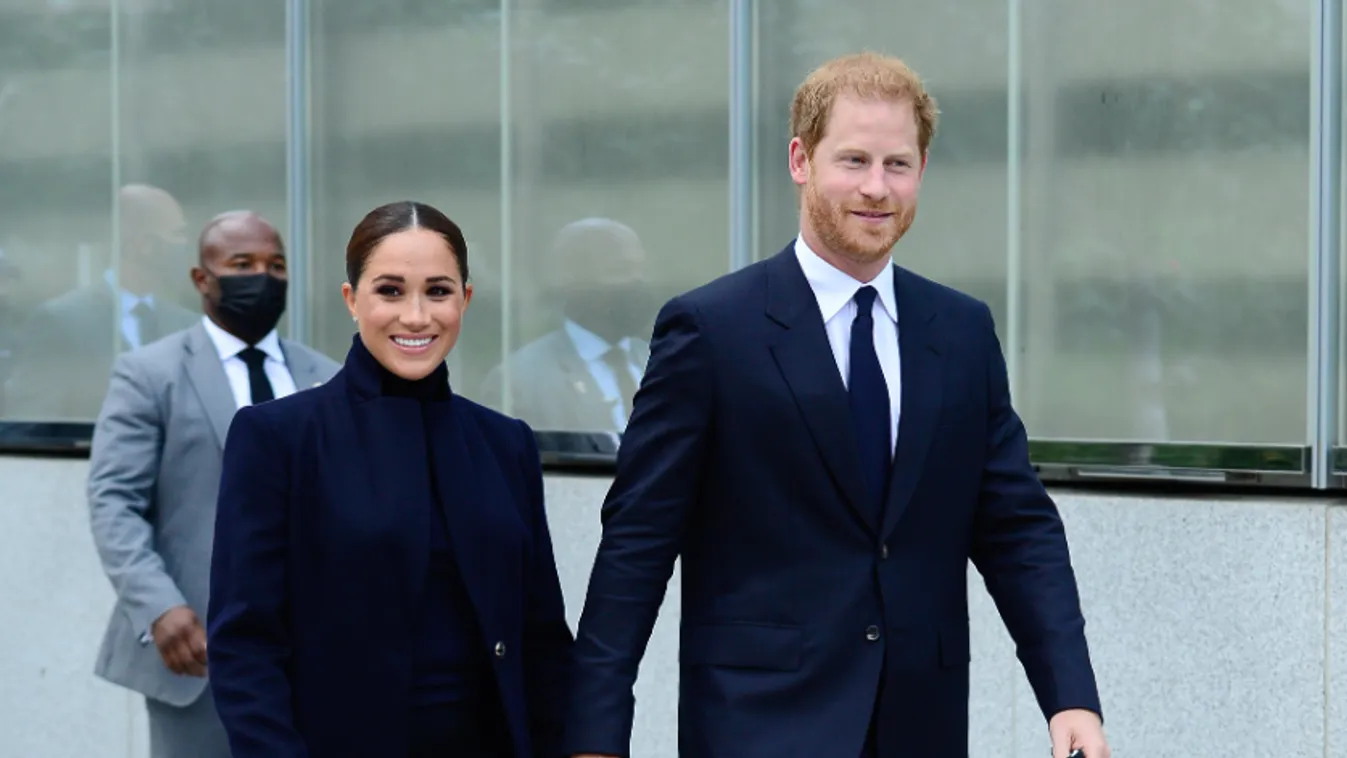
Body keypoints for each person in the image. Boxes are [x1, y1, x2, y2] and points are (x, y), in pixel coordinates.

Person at [564, 52, 1111, 758]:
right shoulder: (710, 329)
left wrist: (1068, 695)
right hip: (757, 722)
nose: (876, 188)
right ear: (800, 159)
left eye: (898, 164)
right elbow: (637, 543)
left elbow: (1016, 528)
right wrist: (595, 736)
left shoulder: (960, 330)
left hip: (918, 724)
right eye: (852, 160)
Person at [207, 201, 574, 758]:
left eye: (439, 291)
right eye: (391, 290)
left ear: (465, 300)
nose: (417, 316)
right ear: (352, 300)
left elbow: (542, 635)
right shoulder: (277, 437)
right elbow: (245, 643)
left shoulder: (507, 443)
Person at [87, 210, 340, 758]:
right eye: (242, 264)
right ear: (203, 279)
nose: (263, 278)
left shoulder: (324, 376)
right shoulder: (150, 374)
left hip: (315, 649)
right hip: (197, 648)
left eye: (277, 266)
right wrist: (158, 607)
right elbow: (114, 501)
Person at [6, 184, 200, 419]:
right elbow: (33, 421)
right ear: (144, 245)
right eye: (177, 234)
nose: (186, 245)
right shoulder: (61, 320)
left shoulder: (188, 325)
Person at [479, 217, 653, 432]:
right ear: (574, 281)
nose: (637, 281)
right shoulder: (519, 382)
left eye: (640, 270)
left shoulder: (660, 362)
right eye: (620, 270)